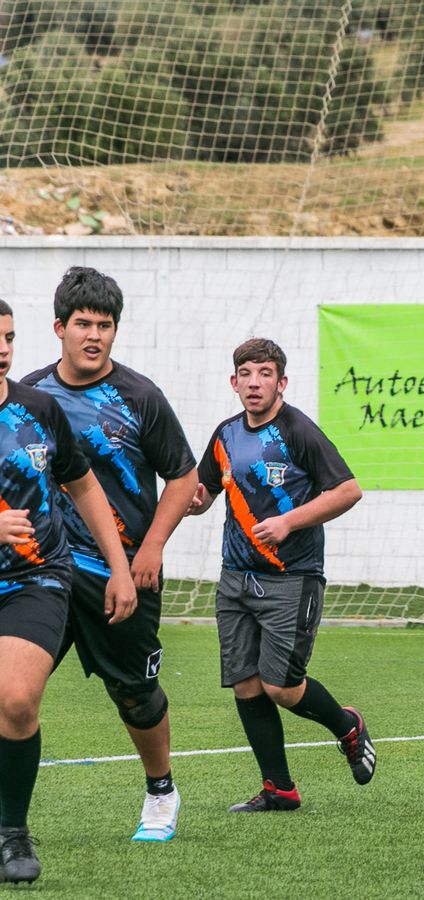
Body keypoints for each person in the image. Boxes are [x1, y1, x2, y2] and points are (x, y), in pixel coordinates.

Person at [21, 268, 198, 842]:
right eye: (82, 324)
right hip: (41, 571)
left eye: (105, 325)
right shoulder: (30, 398)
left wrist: (150, 548)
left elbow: (182, 476)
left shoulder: (140, 396)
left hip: (122, 575)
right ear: (59, 328)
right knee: (12, 688)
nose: (93, 336)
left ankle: (161, 791)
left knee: (134, 693)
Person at [187, 338, 374, 812]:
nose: (255, 382)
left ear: (281, 382)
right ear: (234, 382)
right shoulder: (225, 434)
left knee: (281, 687)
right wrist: (186, 499)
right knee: (246, 684)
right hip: (235, 579)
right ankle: (279, 789)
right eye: (246, 373)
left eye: (265, 373)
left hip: (292, 577)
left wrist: (290, 521)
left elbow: (348, 490)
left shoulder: (298, 431)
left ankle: (347, 725)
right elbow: (204, 492)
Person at [0, 298, 137, 884]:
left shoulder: (39, 410)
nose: (2, 349)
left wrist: (121, 567)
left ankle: (12, 834)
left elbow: (83, 488)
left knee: (16, 699)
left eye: (7, 337)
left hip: (35, 578)